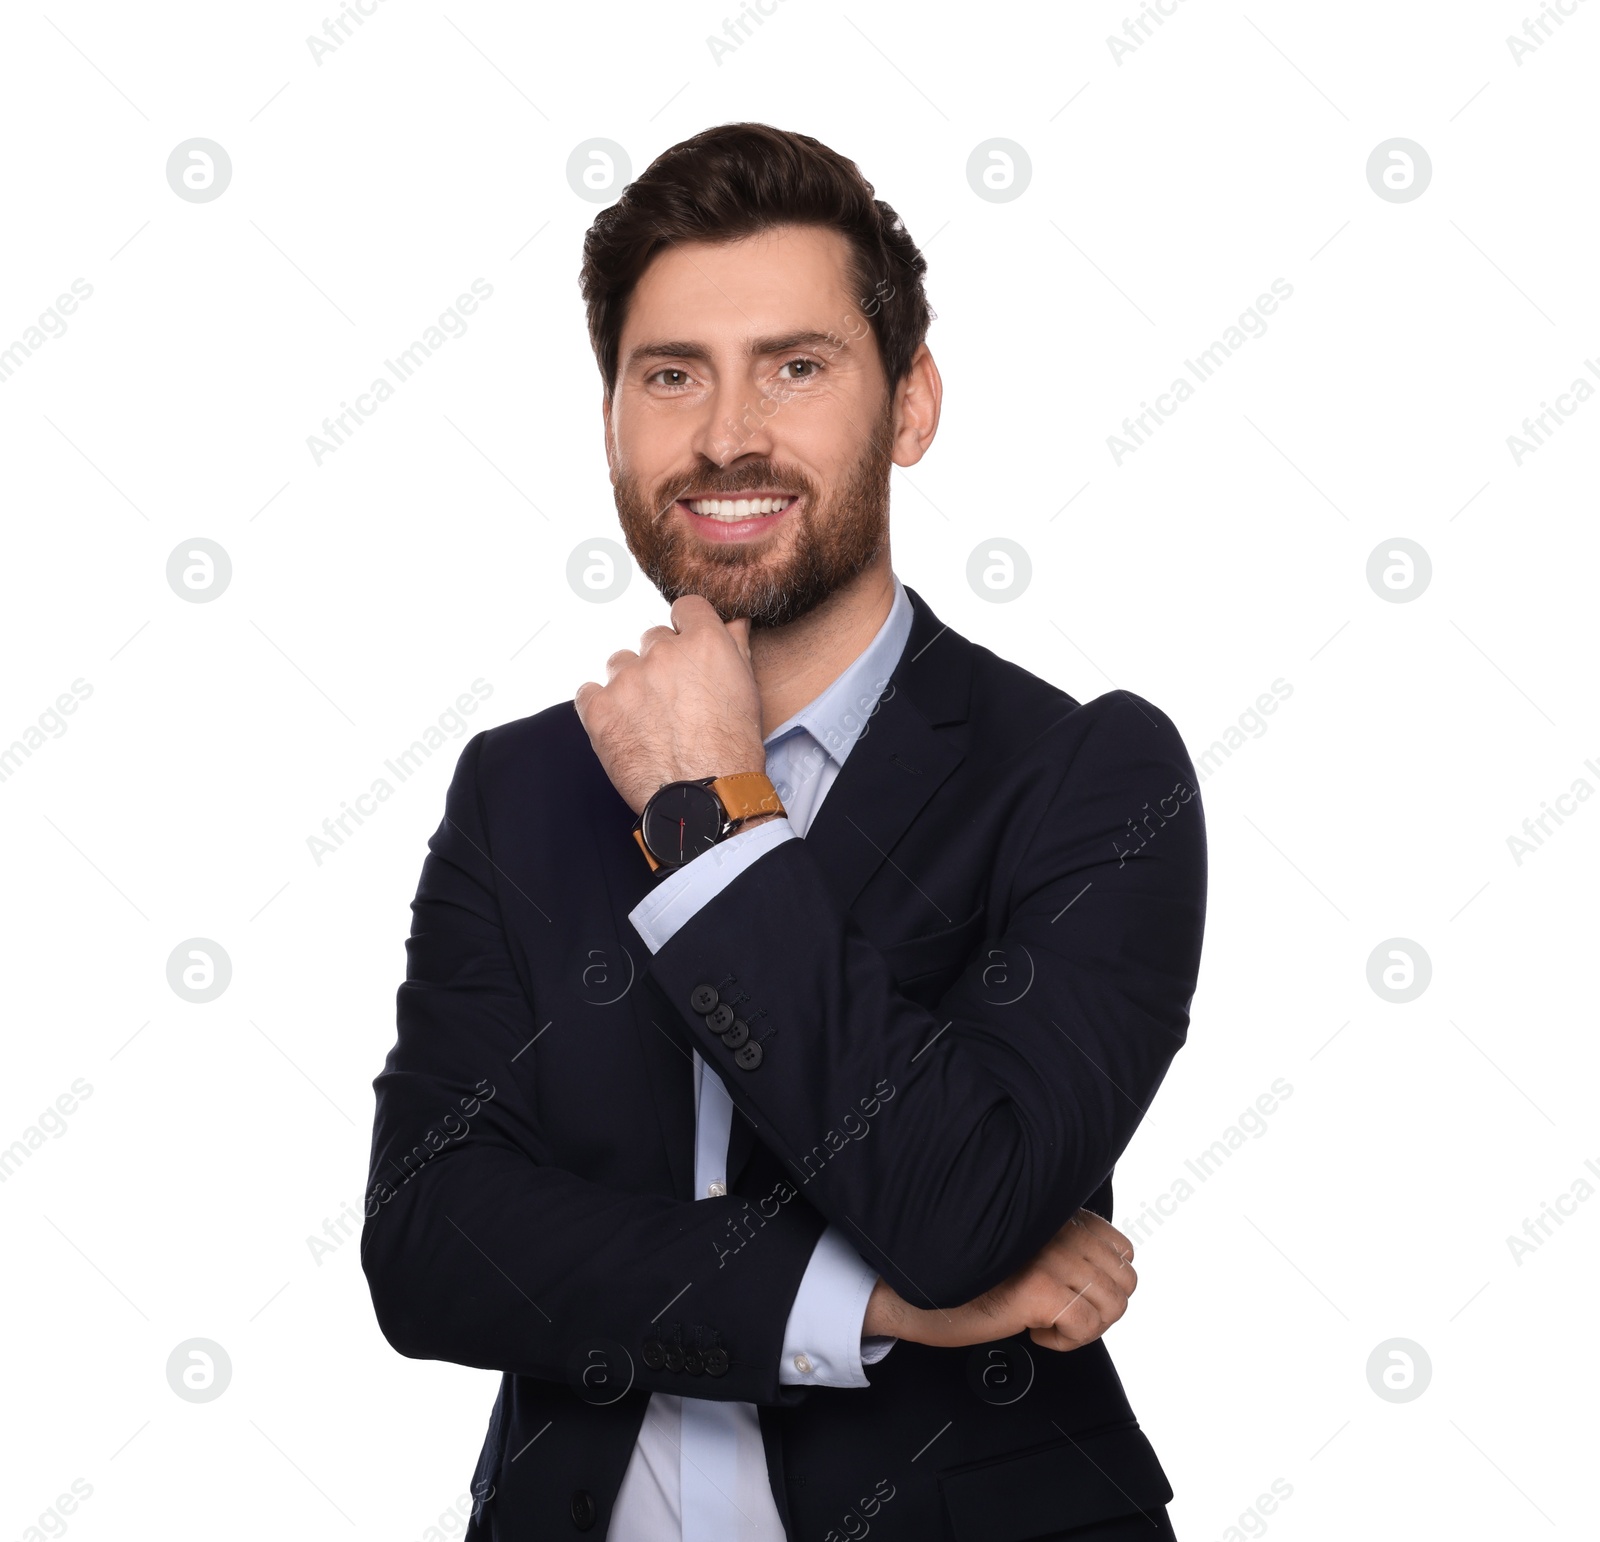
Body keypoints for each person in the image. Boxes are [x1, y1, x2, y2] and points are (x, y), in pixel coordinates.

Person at [362, 121, 1208, 1541]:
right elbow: (433, 1246)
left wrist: (710, 823)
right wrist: (868, 1297)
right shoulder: (518, 787)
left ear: (911, 406)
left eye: (796, 368)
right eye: (670, 374)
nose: (726, 434)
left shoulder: (1086, 773)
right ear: (616, 419)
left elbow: (956, 1203)